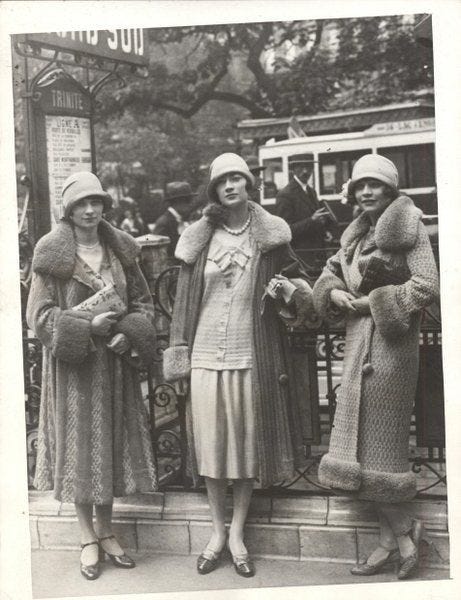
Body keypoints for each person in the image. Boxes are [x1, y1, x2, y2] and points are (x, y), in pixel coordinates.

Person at [162, 153, 317, 578]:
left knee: (246, 447)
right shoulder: (199, 237)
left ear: (249, 185)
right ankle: (216, 532)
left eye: (238, 178)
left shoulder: (269, 235)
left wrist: (289, 290)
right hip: (206, 355)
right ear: (213, 189)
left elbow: (300, 285)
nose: (231, 185)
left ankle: (238, 534)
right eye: (223, 180)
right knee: (212, 445)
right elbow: (181, 307)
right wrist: (178, 354)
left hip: (252, 354)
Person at [312, 154, 439, 580]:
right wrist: (331, 294)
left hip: (391, 350)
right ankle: (394, 538)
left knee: (377, 448)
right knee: (359, 451)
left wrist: (373, 303)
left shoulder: (409, 229)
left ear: (390, 190)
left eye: (376, 185)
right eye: (360, 185)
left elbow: (426, 285)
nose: (366, 192)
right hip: (356, 347)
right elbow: (330, 272)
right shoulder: (356, 235)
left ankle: (402, 533)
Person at [26, 171, 158, 581]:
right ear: (68, 210)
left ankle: (107, 532)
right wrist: (86, 327)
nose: (89, 210)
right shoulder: (52, 255)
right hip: (74, 372)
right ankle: (86, 537)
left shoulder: (120, 252)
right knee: (80, 448)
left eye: (96, 202)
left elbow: (143, 305)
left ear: (104, 206)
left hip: (114, 367)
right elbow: (39, 316)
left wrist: (127, 335)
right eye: (81, 204)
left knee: (111, 446)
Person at [275, 154, 329, 267]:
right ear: (293, 170)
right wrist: (312, 220)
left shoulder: (311, 191)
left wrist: (325, 231)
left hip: (317, 256)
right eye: (300, 167)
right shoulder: (285, 194)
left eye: (309, 167)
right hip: (300, 258)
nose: (305, 171)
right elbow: (285, 231)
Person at [152, 181, 196, 257]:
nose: (190, 205)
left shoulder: (182, 220)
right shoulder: (164, 223)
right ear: (177, 201)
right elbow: (160, 255)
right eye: (188, 201)